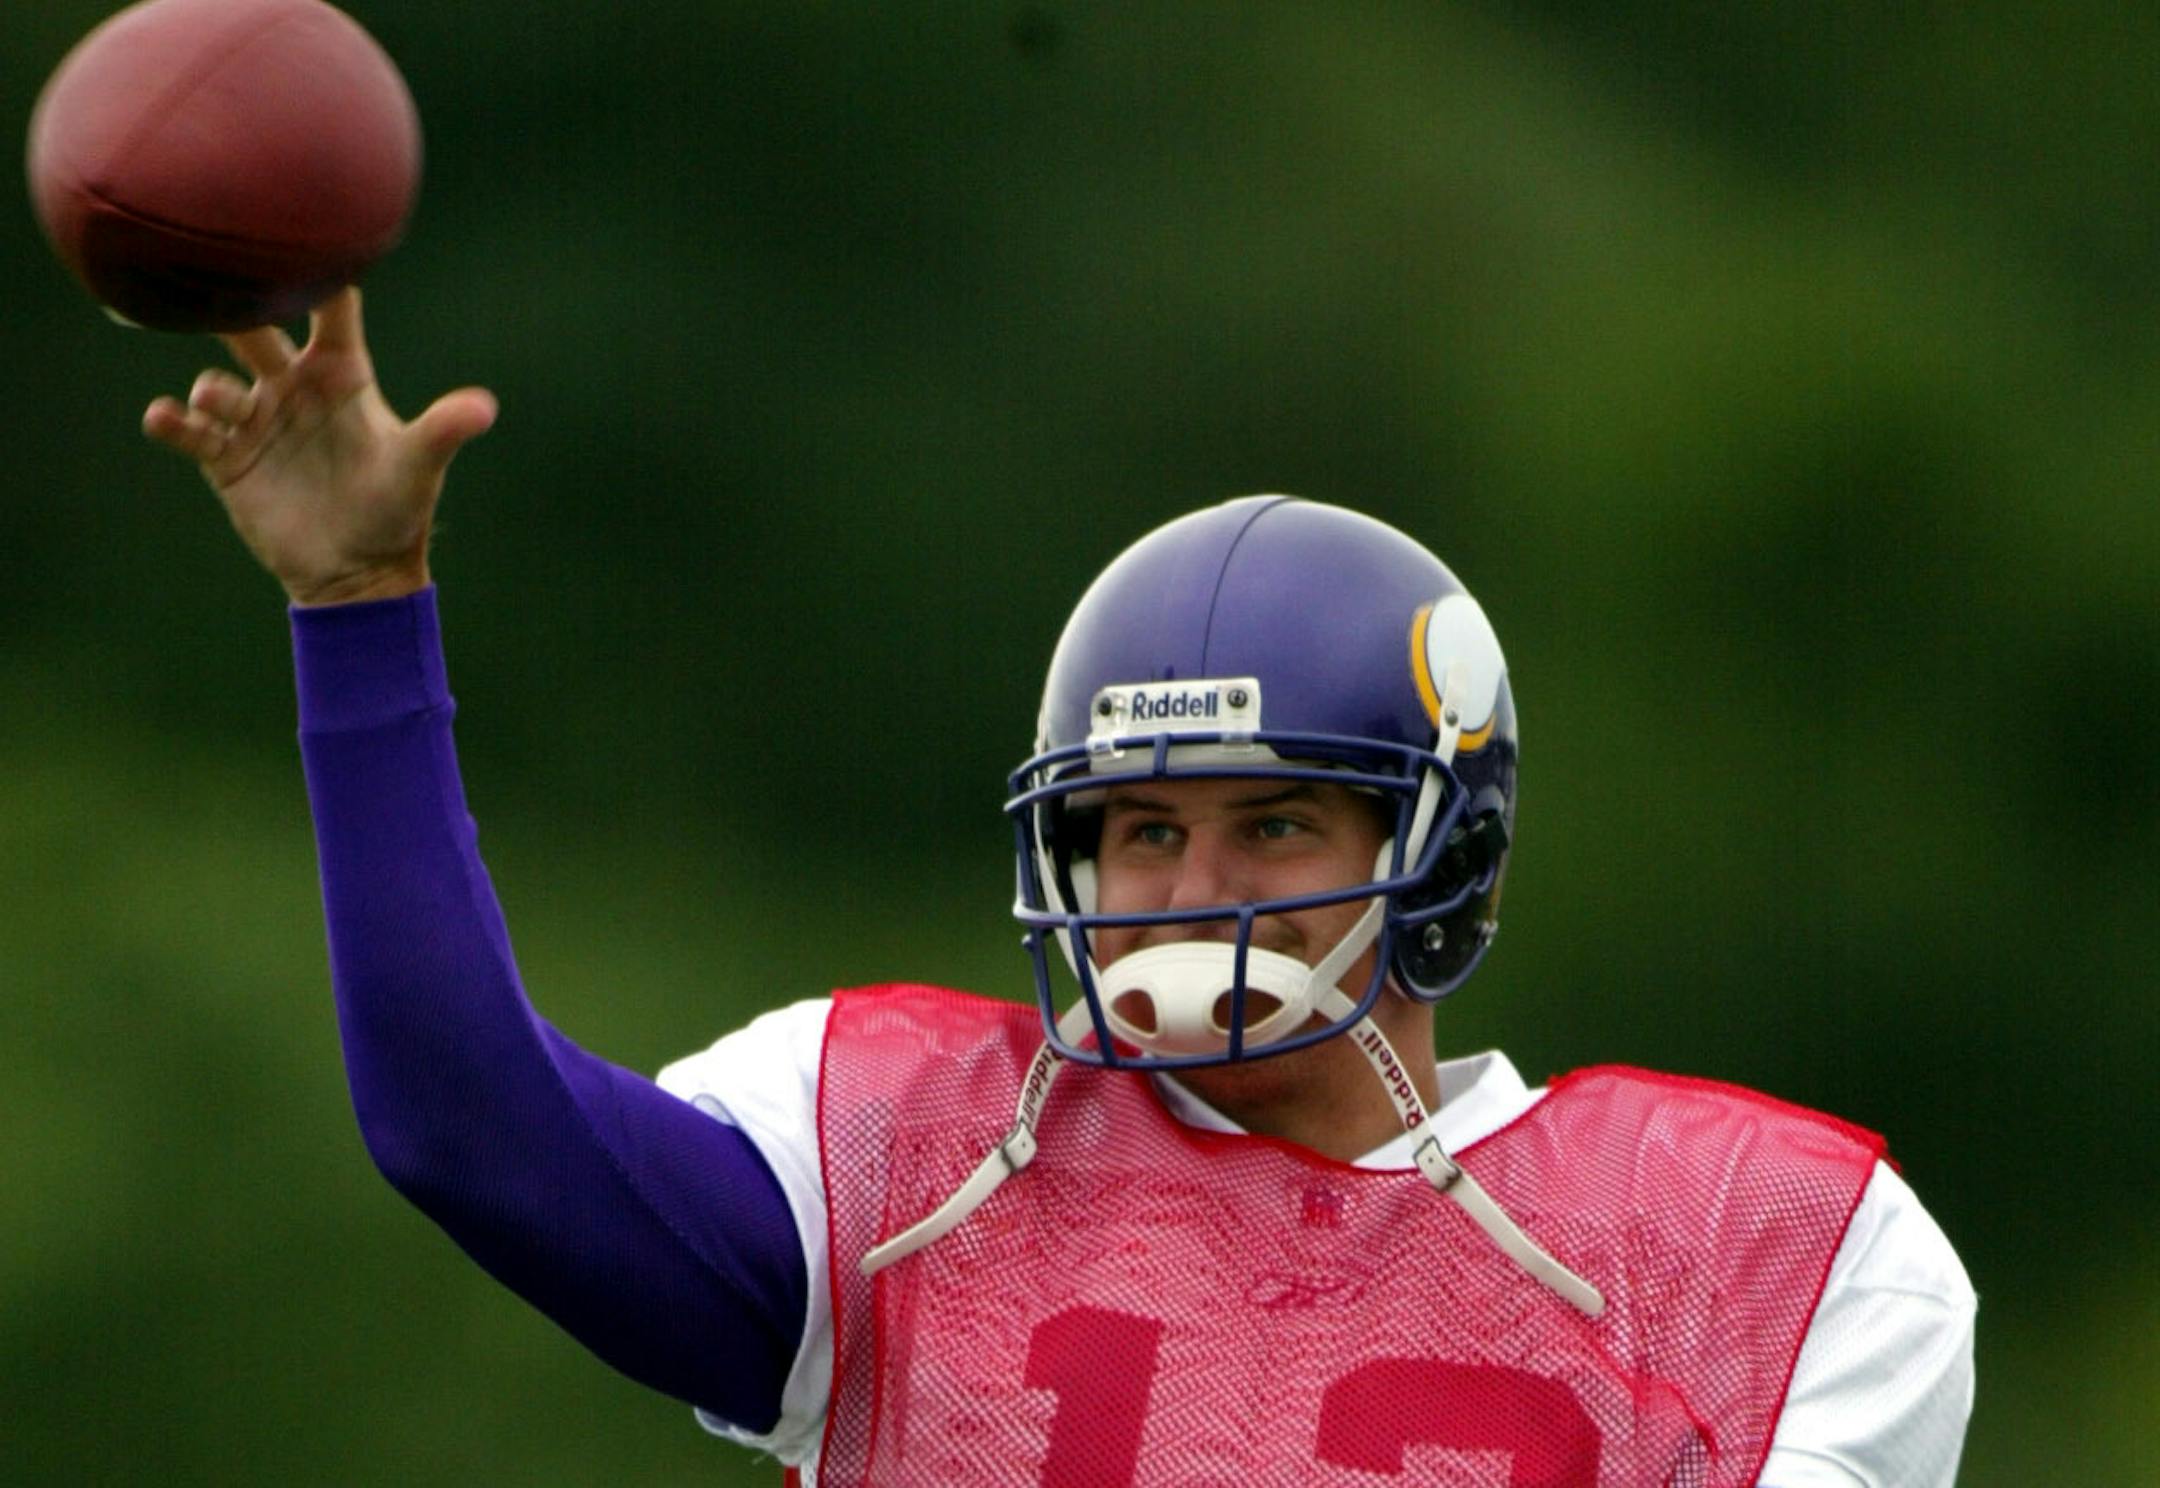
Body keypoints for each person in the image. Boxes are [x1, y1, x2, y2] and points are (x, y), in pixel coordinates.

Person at [144, 291, 1975, 1486]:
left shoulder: (1772, 1254)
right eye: (1140, 830)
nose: (1185, 888)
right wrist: (359, 618)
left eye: (1274, 826)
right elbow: (473, 1134)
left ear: (1444, 851)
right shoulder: (908, 1156)